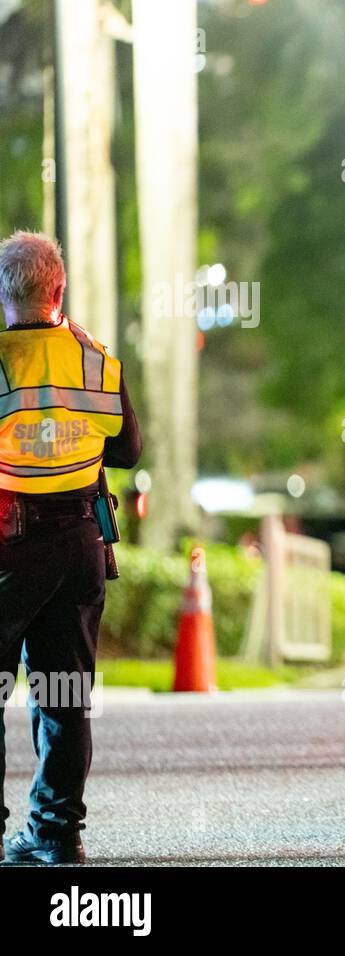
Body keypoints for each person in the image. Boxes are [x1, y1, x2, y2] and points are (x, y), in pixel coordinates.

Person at [0, 231, 142, 865]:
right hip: (80, 542)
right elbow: (128, 451)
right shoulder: (96, 360)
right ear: (58, 291)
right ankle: (58, 836)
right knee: (63, 691)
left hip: (8, 545)